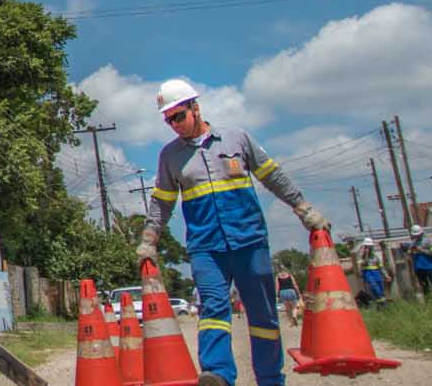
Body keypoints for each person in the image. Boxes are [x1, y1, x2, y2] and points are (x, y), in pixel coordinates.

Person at [137, 80, 328, 386]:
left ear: (195, 108)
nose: (174, 125)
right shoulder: (169, 156)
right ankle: (218, 375)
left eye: (178, 116)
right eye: (168, 120)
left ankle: (269, 378)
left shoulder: (236, 139)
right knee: (213, 306)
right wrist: (149, 239)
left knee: (262, 314)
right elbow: (162, 202)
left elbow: (273, 176)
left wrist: (303, 208)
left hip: (249, 241)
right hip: (205, 247)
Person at [405, 224, 432, 295]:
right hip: (418, 267)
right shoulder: (413, 243)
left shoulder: (429, 241)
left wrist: (422, 250)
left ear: (421, 233)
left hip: (429, 266)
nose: (416, 236)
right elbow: (409, 252)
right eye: (415, 235)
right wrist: (411, 252)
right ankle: (429, 299)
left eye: (417, 234)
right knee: (424, 286)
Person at [357, 237, 389, 303]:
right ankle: (382, 304)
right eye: (366, 247)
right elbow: (363, 263)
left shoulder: (375, 257)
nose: (368, 248)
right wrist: (366, 254)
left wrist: (386, 276)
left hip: (377, 275)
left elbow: (381, 267)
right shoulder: (361, 257)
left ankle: (383, 306)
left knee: (381, 291)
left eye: (370, 247)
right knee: (376, 290)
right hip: (369, 275)